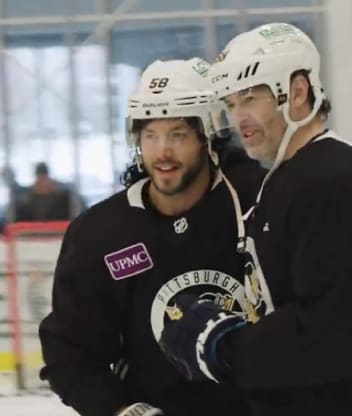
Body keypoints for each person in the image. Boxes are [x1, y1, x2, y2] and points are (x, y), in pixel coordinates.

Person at [159, 23, 352, 416]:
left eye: (250, 98)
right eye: (231, 104)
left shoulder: (332, 179)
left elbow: (331, 335)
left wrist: (224, 348)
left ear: (297, 92)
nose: (239, 117)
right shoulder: (287, 178)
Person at [38, 57, 265, 416]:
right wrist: (118, 408)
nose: (162, 152)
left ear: (207, 138)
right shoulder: (101, 233)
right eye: (150, 135)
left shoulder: (259, 203)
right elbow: (70, 353)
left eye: (178, 135)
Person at [15, 162, 85, 222]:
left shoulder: (65, 195)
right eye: (40, 179)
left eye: (44, 178)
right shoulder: (26, 197)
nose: (42, 183)